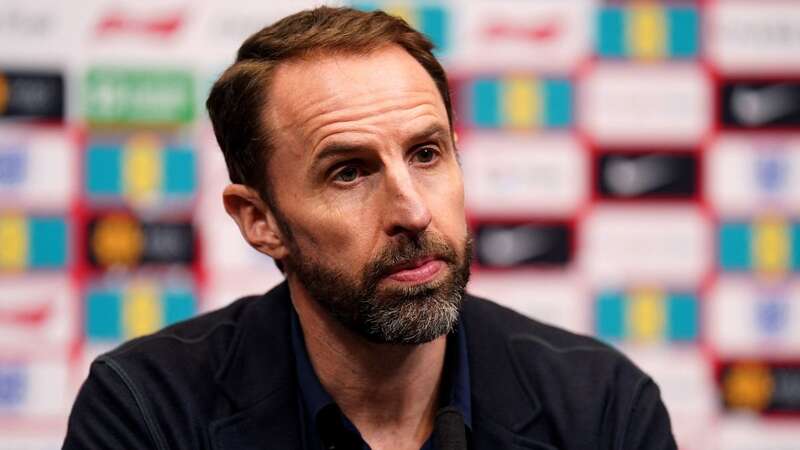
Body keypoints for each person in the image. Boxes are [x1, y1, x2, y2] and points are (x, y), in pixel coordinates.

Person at [63, 6, 677, 450]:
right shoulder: (146, 412)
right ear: (260, 220)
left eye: (427, 154)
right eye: (349, 172)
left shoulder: (602, 406)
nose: (412, 211)